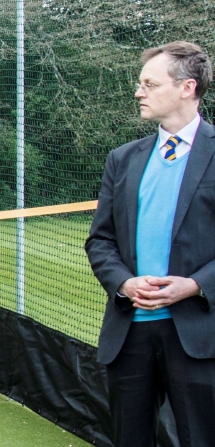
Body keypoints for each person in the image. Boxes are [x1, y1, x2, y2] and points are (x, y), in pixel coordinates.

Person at [85, 41, 215, 446]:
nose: (138, 92)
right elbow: (100, 240)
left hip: (199, 334)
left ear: (187, 87)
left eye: (149, 83)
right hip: (129, 333)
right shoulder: (122, 159)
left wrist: (193, 285)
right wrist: (124, 283)